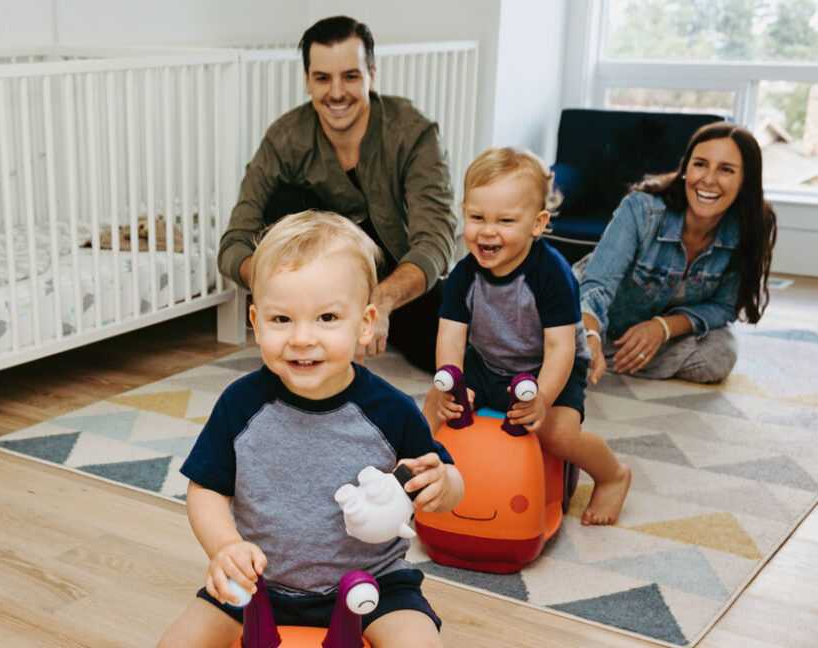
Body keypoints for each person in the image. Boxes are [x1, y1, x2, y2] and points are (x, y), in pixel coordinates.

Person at [160, 211, 464, 648]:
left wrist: (444, 485)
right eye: (282, 320)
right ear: (256, 323)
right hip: (258, 581)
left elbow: (444, 479)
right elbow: (206, 489)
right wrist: (225, 548)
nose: (302, 338)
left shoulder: (392, 411)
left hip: (373, 585)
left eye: (326, 318)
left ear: (365, 323)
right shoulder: (239, 405)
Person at [217, 15, 457, 372]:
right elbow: (234, 243)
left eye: (350, 76)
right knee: (282, 201)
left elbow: (435, 241)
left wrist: (381, 301)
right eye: (323, 78)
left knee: (444, 355)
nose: (337, 92)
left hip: (389, 270)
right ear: (307, 82)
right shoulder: (285, 138)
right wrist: (279, 286)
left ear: (372, 75)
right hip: (314, 276)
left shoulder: (412, 132)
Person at [422, 147, 630, 526]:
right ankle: (419, 473)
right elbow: (450, 337)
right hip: (487, 362)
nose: (487, 230)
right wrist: (452, 382)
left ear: (537, 224)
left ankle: (612, 475)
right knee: (433, 406)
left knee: (559, 434)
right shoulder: (462, 275)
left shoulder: (552, 274)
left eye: (505, 220)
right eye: (476, 217)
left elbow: (560, 348)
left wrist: (544, 398)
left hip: (548, 368)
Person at [577, 122, 777, 385]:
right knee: (552, 331)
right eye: (700, 164)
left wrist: (663, 327)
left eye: (726, 170)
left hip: (661, 329)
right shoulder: (641, 208)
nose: (708, 179)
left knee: (718, 356)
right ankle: (595, 350)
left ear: (745, 181)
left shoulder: (751, 225)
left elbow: (723, 307)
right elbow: (597, 285)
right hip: (592, 314)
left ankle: (612, 355)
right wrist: (590, 334)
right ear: (686, 169)